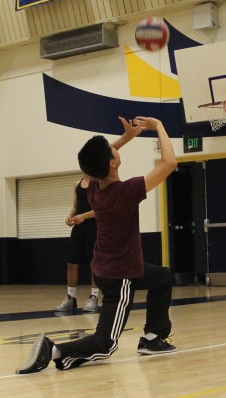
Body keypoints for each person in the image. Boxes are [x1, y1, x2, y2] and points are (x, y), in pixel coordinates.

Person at [16, 115, 177, 374]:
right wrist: (158, 126)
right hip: (119, 275)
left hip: (109, 267)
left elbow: (93, 165)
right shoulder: (125, 192)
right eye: (113, 150)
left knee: (162, 277)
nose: (116, 148)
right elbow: (170, 163)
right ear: (112, 162)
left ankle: (152, 338)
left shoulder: (92, 188)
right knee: (106, 343)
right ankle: (54, 349)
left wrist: (124, 139)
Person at [55, 174, 99, 312]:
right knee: (71, 263)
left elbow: (101, 209)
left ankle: (94, 297)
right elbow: (75, 206)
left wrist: (84, 216)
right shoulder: (77, 184)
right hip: (79, 228)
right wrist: (70, 216)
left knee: (95, 264)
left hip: (95, 227)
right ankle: (71, 298)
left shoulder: (99, 183)